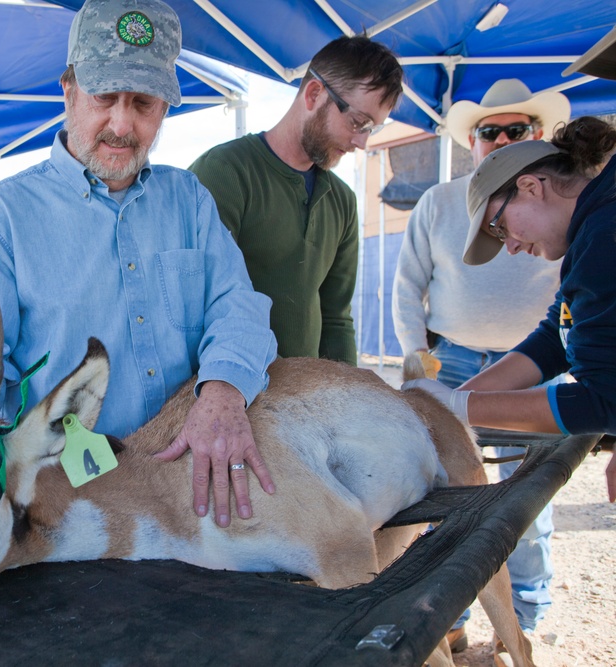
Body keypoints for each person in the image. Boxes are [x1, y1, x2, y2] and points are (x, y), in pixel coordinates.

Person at [0, 0, 277, 530]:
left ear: (165, 108)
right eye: (104, 97)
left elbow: (238, 305)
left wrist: (226, 390)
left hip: (190, 484)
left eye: (143, 102)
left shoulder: (190, 201)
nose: (121, 123)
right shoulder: (0, 218)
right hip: (70, 500)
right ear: (68, 91)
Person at [404, 116, 616, 663]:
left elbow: (600, 399)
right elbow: (555, 340)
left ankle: (526, 614)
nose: (510, 247)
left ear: (530, 185)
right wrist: (454, 404)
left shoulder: (604, 233)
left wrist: (457, 403)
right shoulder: (593, 228)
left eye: (501, 228)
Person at [392, 79, 570, 649]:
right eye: (487, 131)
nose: (498, 139)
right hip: (456, 357)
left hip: (538, 361)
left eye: (513, 131)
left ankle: (523, 615)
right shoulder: (438, 202)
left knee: (529, 492)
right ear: (471, 140)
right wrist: (419, 362)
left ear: (536, 141)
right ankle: (453, 612)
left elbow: (577, 307)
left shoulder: (577, 220)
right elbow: (405, 287)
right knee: (448, 491)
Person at [189, 36, 402, 365]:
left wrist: (347, 398)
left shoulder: (342, 201)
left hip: (304, 404)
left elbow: (336, 319)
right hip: (226, 396)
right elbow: (192, 308)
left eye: (371, 129)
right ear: (315, 93)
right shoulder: (224, 172)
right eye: (358, 122)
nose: (361, 142)